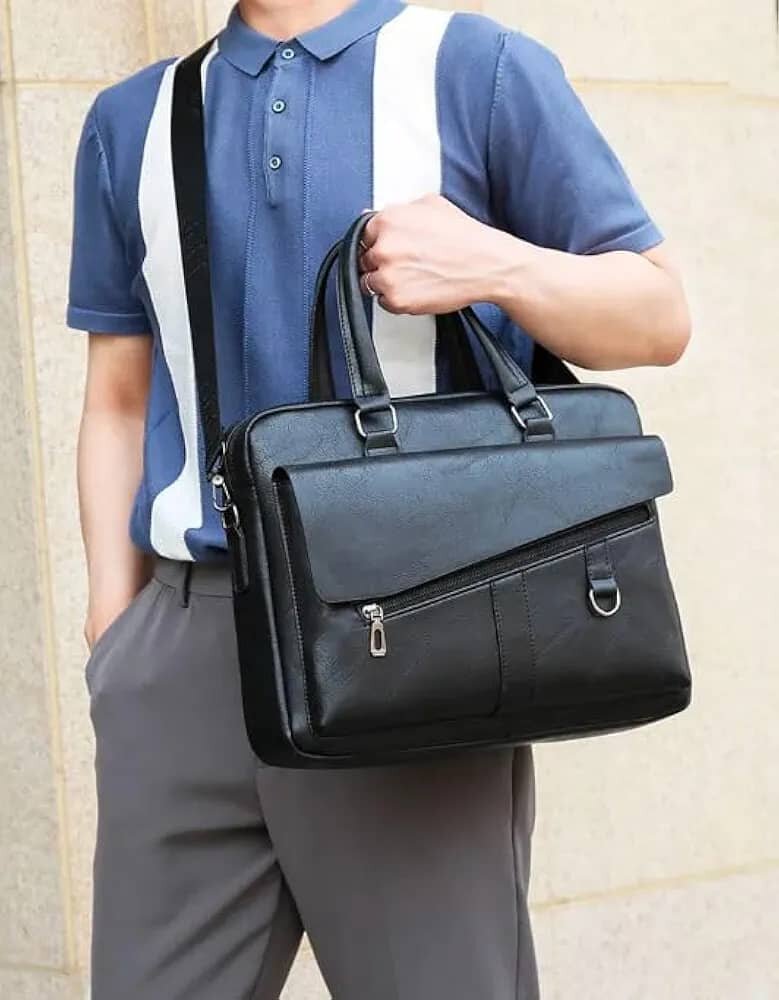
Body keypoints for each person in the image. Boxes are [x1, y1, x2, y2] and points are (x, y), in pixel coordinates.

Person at [67, 0, 690, 997]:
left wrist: (494, 265)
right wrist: (115, 626)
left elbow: (657, 316)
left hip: (409, 636)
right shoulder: (133, 117)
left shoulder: (473, 69)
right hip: (181, 658)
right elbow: (119, 394)